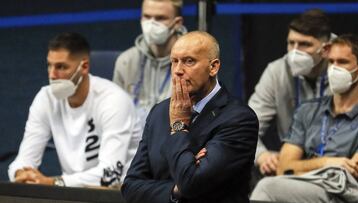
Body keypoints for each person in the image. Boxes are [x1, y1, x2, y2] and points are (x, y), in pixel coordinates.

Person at [121, 31, 258, 203]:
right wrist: (176, 190)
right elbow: (130, 187)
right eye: (174, 61)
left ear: (213, 67)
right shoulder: (159, 112)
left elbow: (191, 183)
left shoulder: (239, 119)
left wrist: (178, 124)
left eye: (189, 61)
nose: (178, 70)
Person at [8, 32, 141, 187]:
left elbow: (109, 175)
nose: (52, 75)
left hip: (118, 193)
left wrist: (54, 182)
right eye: (49, 65)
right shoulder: (46, 98)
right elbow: (24, 158)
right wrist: (22, 174)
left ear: (84, 67)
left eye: (61, 67)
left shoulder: (114, 101)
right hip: (70, 191)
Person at [251, 34, 358, 203]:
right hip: (305, 186)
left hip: (342, 193)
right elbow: (284, 167)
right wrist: (328, 162)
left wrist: (301, 167)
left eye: (343, 62)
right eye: (331, 62)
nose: (335, 69)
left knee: (267, 188)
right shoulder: (308, 110)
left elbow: (352, 172)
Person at [248, 9, 333, 176]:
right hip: (290, 165)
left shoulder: (346, 68)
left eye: (305, 44)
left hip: (336, 162)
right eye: (291, 43)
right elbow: (246, 127)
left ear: (326, 48)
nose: (295, 52)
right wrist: (262, 156)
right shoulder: (277, 71)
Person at [113, 0, 187, 127]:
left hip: (175, 139)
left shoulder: (194, 62)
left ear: (177, 23)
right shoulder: (126, 61)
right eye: (147, 16)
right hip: (132, 141)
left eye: (160, 18)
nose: (151, 24)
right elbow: (115, 112)